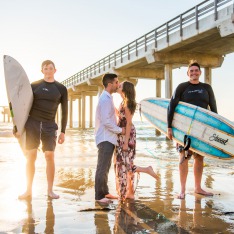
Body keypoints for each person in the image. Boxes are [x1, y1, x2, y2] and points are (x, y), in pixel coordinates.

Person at [17, 60, 68, 200]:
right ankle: (28, 190)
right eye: (45, 68)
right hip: (32, 123)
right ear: (42, 71)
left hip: (49, 125)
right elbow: (22, 105)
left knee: (49, 156)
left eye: (50, 68)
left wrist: (63, 131)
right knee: (31, 156)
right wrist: (17, 126)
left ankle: (50, 190)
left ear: (55, 70)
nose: (48, 70)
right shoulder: (34, 86)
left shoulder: (61, 89)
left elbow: (65, 111)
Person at [167, 60, 217, 199]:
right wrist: (169, 127)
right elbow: (171, 106)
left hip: (201, 129)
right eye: (191, 71)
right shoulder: (182, 87)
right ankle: (182, 190)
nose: (194, 73)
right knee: (183, 157)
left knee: (199, 157)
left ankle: (198, 187)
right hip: (184, 128)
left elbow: (213, 109)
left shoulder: (207, 88)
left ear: (200, 73)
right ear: (188, 73)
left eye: (196, 70)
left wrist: (215, 130)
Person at [115, 81, 159, 201]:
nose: (118, 86)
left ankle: (146, 169)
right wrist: (115, 111)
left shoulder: (128, 103)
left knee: (125, 164)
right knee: (126, 162)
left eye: (120, 85)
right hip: (123, 135)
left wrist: (125, 142)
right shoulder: (123, 102)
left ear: (125, 89)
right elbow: (123, 117)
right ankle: (130, 192)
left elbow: (128, 123)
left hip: (127, 136)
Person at [94, 73, 125, 205]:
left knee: (106, 166)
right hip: (105, 138)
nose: (118, 84)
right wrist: (120, 130)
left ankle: (105, 192)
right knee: (102, 167)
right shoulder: (105, 99)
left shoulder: (108, 98)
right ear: (110, 84)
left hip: (108, 138)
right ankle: (99, 196)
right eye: (116, 82)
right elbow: (106, 121)